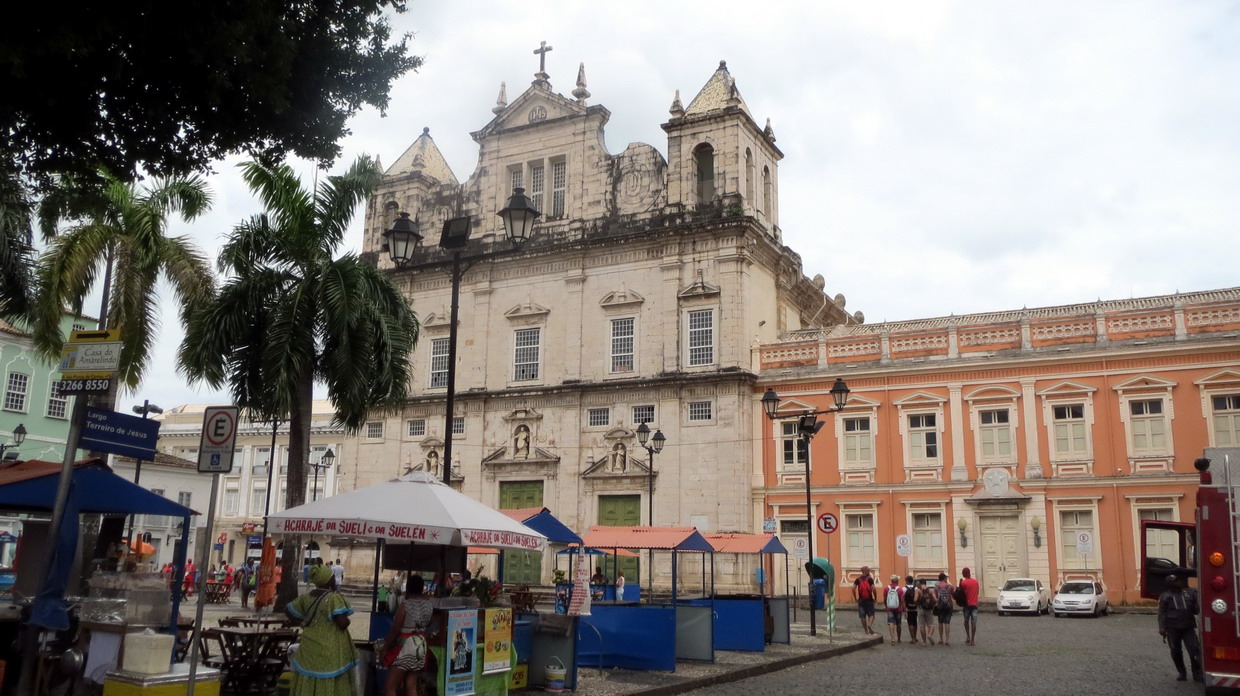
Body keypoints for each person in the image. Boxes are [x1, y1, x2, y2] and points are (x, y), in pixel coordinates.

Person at [286, 564, 358, 696]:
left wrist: (302, 623)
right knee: (328, 679)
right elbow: (342, 623)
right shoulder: (333, 598)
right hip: (329, 650)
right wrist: (347, 620)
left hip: (308, 648)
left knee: (309, 678)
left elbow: (288, 610)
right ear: (327, 580)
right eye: (332, 577)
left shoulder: (306, 597)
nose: (334, 580)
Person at [381, 574, 439, 696]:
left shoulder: (406, 605)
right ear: (422, 588)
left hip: (407, 645)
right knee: (411, 686)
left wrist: (385, 647)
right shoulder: (428, 606)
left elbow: (395, 630)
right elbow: (429, 624)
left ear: (408, 588)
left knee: (390, 688)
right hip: (421, 644)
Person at [1158, 574, 1202, 682]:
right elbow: (1162, 613)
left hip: (1188, 627)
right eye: (1175, 581)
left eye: (1179, 580)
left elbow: (1196, 610)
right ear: (1170, 584)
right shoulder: (1165, 596)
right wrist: (1162, 627)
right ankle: (1182, 672)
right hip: (1172, 628)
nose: (1179, 582)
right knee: (1176, 651)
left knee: (1194, 650)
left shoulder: (1190, 593)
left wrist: (1197, 606)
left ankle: (1197, 673)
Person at [852, 566, 877, 635]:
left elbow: (853, 588)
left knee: (862, 616)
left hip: (861, 600)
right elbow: (874, 589)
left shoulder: (858, 579)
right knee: (872, 615)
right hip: (869, 600)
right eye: (868, 570)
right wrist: (875, 597)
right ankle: (869, 624)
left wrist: (855, 597)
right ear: (867, 571)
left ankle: (866, 630)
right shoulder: (870, 579)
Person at [959, 567, 980, 646]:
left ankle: (968, 636)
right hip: (974, 604)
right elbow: (977, 592)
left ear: (964, 573)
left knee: (966, 621)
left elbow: (962, 594)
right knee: (973, 622)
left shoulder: (963, 583)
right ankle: (973, 639)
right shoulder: (975, 581)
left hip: (967, 605)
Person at [882, 574, 905, 645]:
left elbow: (885, 599)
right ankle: (899, 639)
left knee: (891, 622)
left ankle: (892, 638)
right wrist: (904, 610)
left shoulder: (886, 588)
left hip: (890, 608)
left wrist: (886, 606)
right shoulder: (900, 589)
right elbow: (902, 600)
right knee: (898, 624)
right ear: (897, 581)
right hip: (898, 608)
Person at [934, 572, 955, 646]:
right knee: (947, 623)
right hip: (948, 606)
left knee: (940, 623)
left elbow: (936, 597)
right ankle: (947, 639)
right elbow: (953, 594)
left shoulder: (936, 587)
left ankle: (941, 639)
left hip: (940, 606)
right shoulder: (949, 586)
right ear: (944, 578)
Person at [917, 578, 936, 645]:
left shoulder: (918, 590)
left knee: (922, 626)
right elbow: (935, 599)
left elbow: (915, 600)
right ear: (926, 583)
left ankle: (924, 642)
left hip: (921, 609)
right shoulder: (930, 590)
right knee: (931, 624)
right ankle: (929, 634)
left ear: (920, 583)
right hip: (929, 609)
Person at [902, 575, 919, 645]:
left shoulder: (904, 589)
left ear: (906, 581)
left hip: (908, 608)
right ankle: (915, 637)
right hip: (915, 608)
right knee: (915, 622)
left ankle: (913, 638)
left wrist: (904, 610)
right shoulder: (916, 588)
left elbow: (902, 600)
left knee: (910, 623)